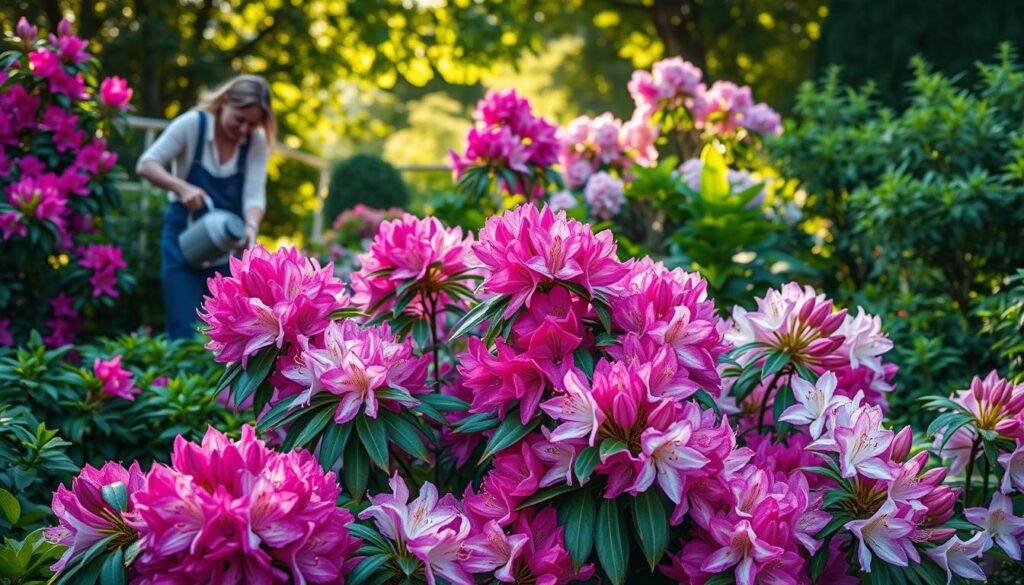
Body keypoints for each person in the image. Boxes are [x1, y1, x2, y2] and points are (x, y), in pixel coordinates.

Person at [136, 74, 275, 340]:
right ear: (225, 102)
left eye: (253, 123)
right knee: (184, 329)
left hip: (226, 250)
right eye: (239, 119)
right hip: (182, 238)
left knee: (227, 332)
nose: (245, 129)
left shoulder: (255, 143)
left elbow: (254, 196)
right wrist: (182, 187)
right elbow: (146, 164)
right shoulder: (193, 125)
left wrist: (251, 227)